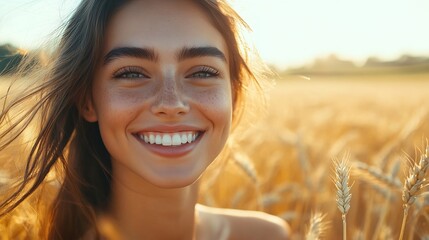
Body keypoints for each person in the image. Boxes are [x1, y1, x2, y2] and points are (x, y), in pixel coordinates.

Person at [0, 0, 290, 239]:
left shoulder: (267, 235)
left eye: (202, 72)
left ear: (233, 94)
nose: (171, 103)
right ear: (88, 100)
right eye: (132, 73)